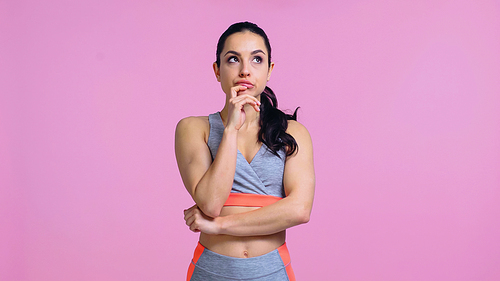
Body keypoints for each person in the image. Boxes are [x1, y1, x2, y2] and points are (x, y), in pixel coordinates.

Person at [175, 21, 315, 281]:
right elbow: (211, 203)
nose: (245, 71)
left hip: (272, 272)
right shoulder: (194, 128)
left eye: (257, 60)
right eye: (232, 60)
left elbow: (299, 210)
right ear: (217, 70)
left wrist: (218, 226)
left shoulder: (293, 133)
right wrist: (230, 130)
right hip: (210, 272)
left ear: (270, 70)